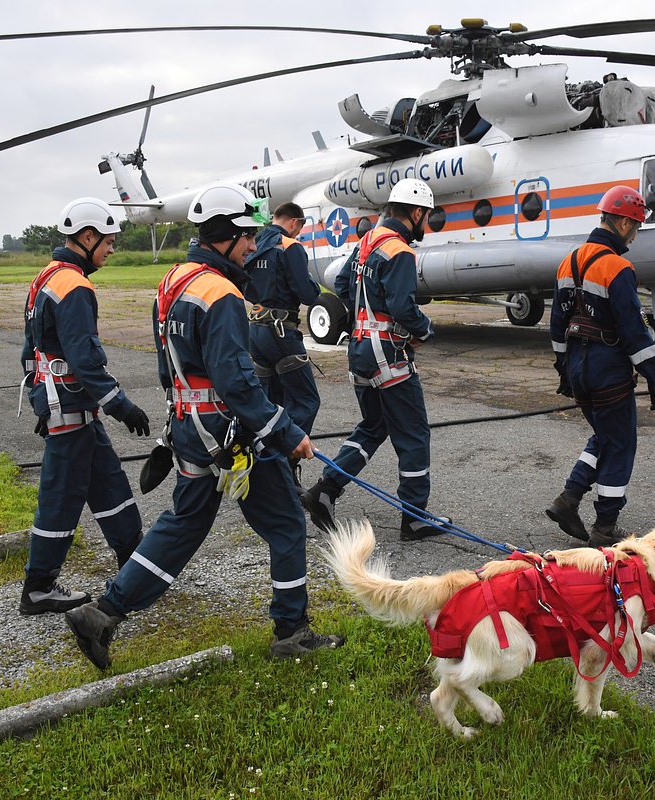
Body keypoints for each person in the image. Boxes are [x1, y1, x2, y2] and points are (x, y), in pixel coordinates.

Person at [65, 183, 342, 669]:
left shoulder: (172, 282)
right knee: (285, 525)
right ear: (227, 236)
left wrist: (175, 429)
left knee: (183, 525)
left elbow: (166, 368)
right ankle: (291, 631)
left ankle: (103, 612)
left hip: (192, 430)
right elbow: (238, 384)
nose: (254, 247)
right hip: (231, 436)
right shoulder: (222, 294)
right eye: (249, 238)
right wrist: (288, 432)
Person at [18, 197, 151, 615]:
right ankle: (38, 588)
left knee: (112, 488)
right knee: (60, 497)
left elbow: (29, 351)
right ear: (87, 237)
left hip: (69, 408)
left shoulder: (46, 278)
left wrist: (41, 400)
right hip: (72, 410)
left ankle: (134, 572)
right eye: (108, 241)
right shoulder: (74, 286)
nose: (112, 249)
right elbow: (86, 360)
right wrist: (123, 406)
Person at [300, 178, 444, 541]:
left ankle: (326, 490)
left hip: (360, 350)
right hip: (389, 355)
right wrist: (423, 330)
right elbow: (403, 308)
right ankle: (414, 517)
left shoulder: (368, 241)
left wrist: (366, 312)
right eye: (425, 216)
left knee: (374, 426)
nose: (425, 223)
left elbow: (344, 283)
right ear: (415, 213)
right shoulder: (400, 251)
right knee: (413, 435)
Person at [544, 185, 655, 548]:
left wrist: (564, 370)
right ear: (626, 223)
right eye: (637, 226)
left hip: (579, 371)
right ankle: (604, 527)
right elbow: (633, 331)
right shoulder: (618, 267)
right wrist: (654, 378)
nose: (636, 233)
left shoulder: (570, 260)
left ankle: (568, 499)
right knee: (621, 443)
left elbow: (557, 324)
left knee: (606, 435)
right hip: (607, 370)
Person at [243, 202, 322, 487]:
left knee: (272, 403)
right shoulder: (290, 247)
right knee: (305, 400)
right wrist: (313, 287)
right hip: (281, 331)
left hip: (256, 329)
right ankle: (288, 460)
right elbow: (307, 292)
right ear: (294, 222)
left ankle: (267, 468)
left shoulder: (254, 244)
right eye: (300, 228)